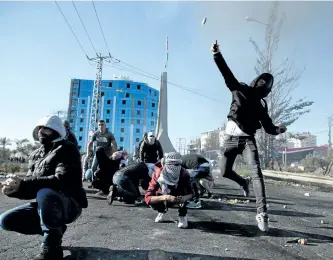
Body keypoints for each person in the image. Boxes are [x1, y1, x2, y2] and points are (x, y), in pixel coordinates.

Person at [211, 40, 287, 232]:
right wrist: (217, 54)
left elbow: (269, 127)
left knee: (256, 172)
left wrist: (279, 129)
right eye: (261, 81)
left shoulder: (261, 106)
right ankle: (242, 182)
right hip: (229, 140)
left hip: (247, 142)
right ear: (256, 81)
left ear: (267, 89)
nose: (262, 84)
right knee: (224, 172)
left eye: (265, 84)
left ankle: (262, 213)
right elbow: (226, 74)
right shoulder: (240, 89)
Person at [0, 115, 88, 260]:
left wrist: (25, 183)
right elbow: (30, 187)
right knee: (5, 221)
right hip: (47, 205)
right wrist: (15, 190)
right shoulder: (35, 155)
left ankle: (51, 247)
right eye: (40, 128)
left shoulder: (67, 149)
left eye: (46, 128)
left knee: (45, 192)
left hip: (70, 204)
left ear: (57, 130)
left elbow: (61, 179)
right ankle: (56, 230)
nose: (41, 131)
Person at [144, 152, 193, 229]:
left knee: (184, 194)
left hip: (179, 196)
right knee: (154, 201)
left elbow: (191, 193)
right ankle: (162, 210)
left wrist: (184, 198)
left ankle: (182, 215)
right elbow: (148, 198)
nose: (174, 167)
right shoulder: (157, 174)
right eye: (171, 165)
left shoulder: (184, 174)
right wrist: (166, 197)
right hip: (164, 196)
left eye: (177, 165)